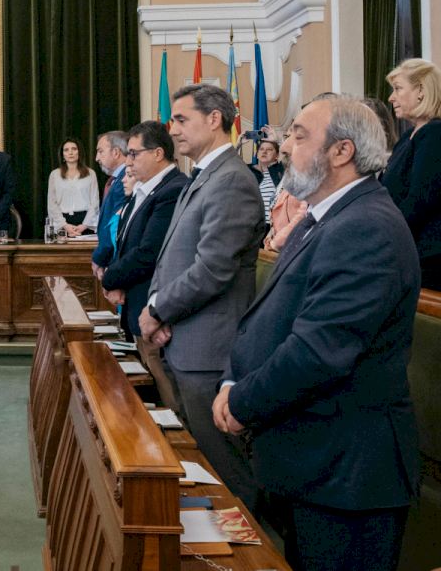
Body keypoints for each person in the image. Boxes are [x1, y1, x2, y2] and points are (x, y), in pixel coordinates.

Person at [214, 96, 420, 571]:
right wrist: (232, 378)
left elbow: (319, 352)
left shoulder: (365, 226)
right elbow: (267, 320)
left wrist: (241, 401)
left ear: (342, 151)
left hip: (347, 475)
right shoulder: (323, 219)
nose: (285, 146)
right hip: (312, 463)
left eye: (299, 135)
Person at [139, 83, 266, 509]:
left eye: (181, 119)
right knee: (204, 467)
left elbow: (212, 268)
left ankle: (249, 544)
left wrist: (158, 309)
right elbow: (171, 257)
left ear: (214, 120)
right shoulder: (205, 176)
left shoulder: (231, 180)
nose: (172, 129)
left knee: (226, 472)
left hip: (209, 351)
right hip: (185, 340)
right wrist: (159, 310)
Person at [100, 121, 188, 405]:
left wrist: (109, 278)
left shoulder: (172, 190)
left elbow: (149, 253)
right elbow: (125, 240)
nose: (128, 161)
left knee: (170, 399)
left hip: (155, 308)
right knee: (153, 395)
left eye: (134, 154)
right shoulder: (146, 189)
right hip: (137, 305)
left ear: (158, 153)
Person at [383, 58, 441, 290]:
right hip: (405, 249)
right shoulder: (407, 138)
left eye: (398, 89)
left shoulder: (435, 134)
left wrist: (384, 235)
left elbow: (421, 200)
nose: (391, 98)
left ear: (421, 91)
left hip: (427, 257)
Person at [90, 131, 128, 275]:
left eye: (100, 151)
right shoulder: (116, 180)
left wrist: (99, 258)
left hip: (117, 260)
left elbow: (115, 225)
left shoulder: (125, 180)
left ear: (116, 152)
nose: (96, 158)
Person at [46, 138, 99, 236]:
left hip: (85, 222)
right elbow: (52, 203)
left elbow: (95, 202)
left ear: (79, 152)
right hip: (62, 223)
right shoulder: (54, 175)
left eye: (74, 149)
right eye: (66, 150)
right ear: (62, 154)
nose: (70, 152)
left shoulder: (90, 173)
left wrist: (84, 225)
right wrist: (64, 225)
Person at [250, 137, 283, 223]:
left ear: (277, 155)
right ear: (257, 154)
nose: (264, 152)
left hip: (274, 225)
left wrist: (278, 140)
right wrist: (238, 145)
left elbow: (291, 157)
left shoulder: (281, 171)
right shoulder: (249, 172)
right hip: (254, 225)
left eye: (269, 149)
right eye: (261, 149)